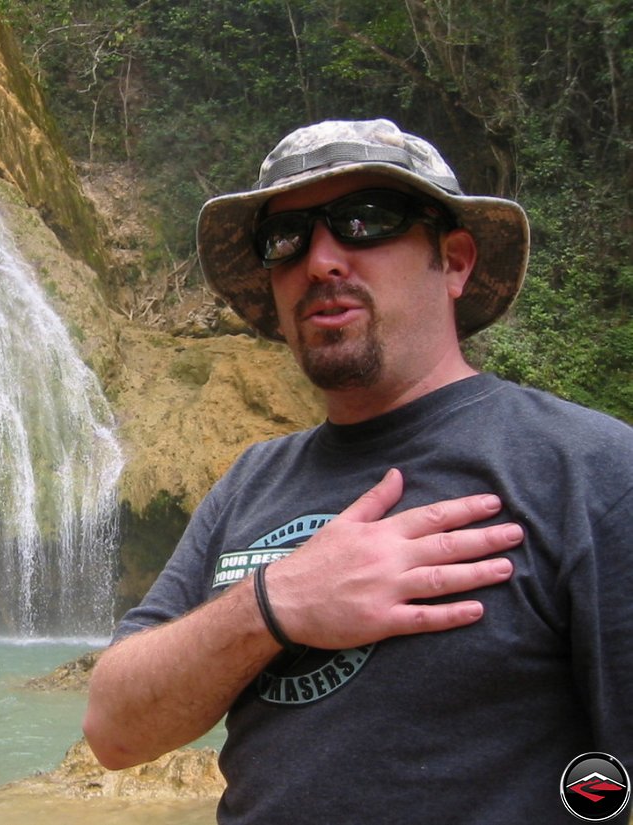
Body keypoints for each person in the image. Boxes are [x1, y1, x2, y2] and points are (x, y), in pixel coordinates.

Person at [82, 119, 633, 823]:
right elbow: (114, 728)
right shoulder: (250, 481)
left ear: (456, 260)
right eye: (287, 237)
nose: (321, 261)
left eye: (366, 219)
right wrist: (277, 603)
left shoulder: (591, 473)